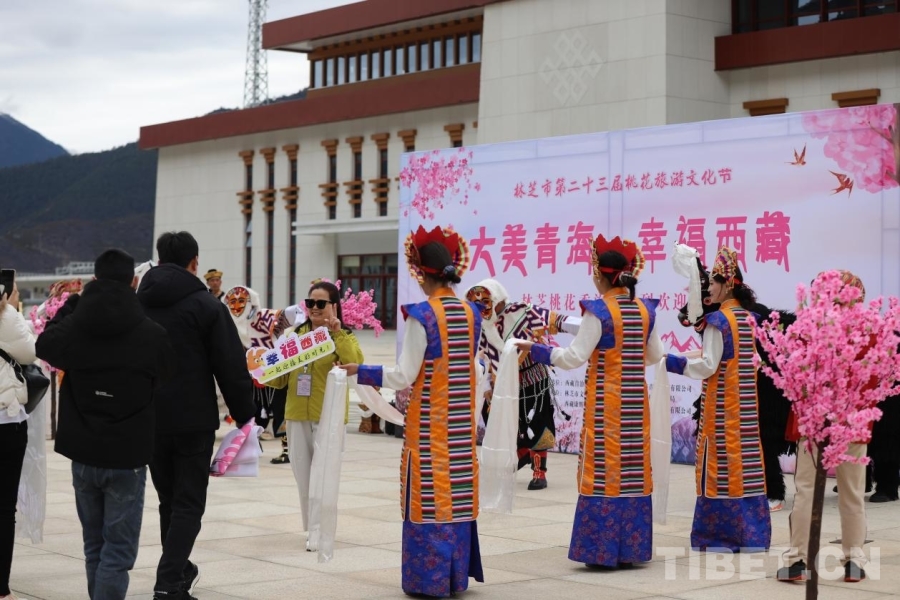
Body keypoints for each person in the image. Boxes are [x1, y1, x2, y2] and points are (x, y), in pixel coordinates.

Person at [341, 225, 485, 598]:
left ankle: (430, 580)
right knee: (457, 492)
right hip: (460, 425)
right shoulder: (472, 312)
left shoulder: (423, 315)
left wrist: (362, 370)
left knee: (428, 495)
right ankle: (455, 577)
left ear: (421, 274)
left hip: (430, 426)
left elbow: (405, 375)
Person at [516, 235, 664, 568]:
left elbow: (573, 357)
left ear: (599, 274)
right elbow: (655, 355)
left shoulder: (599, 311)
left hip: (606, 406)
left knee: (604, 470)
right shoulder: (644, 310)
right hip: (635, 405)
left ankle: (602, 549)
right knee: (631, 469)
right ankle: (631, 549)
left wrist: (536, 349)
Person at [35, 249, 174, 600]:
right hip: (127, 451)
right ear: (133, 281)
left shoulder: (77, 324)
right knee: (118, 551)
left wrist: (73, 304)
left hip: (83, 449)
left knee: (94, 546)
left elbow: (45, 344)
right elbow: (166, 376)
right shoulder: (151, 333)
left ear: (94, 279)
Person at [137, 232, 256, 600]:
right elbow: (230, 364)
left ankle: (179, 572)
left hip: (149, 417)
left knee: (169, 501)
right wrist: (245, 414)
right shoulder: (206, 305)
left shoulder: (138, 303)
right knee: (189, 503)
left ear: (159, 259)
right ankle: (168, 582)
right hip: (193, 420)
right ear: (194, 262)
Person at [665, 247, 771, 552]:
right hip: (745, 410)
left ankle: (720, 538)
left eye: (712, 282)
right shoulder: (748, 318)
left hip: (722, 410)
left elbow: (708, 365)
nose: (708, 287)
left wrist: (671, 362)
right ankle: (751, 536)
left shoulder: (719, 321)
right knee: (746, 468)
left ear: (727, 285)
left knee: (718, 469)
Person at [777, 270, 871, 583]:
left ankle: (797, 561)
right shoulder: (866, 330)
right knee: (852, 494)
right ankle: (854, 561)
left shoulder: (808, 327)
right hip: (853, 420)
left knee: (805, 491)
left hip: (813, 421)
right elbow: (873, 379)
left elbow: (794, 373)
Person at [265, 280, 363, 542]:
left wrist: (337, 334)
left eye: (321, 303)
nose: (315, 308)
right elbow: (279, 380)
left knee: (324, 474)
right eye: (311, 303)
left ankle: (321, 531)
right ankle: (312, 528)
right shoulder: (294, 336)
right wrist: (260, 370)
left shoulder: (344, 336)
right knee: (304, 476)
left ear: (334, 306)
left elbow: (355, 363)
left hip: (328, 415)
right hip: (297, 414)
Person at [466, 279, 574, 490]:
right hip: (503, 380)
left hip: (532, 376)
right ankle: (522, 452)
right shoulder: (481, 326)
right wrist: (487, 387)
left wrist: (590, 327)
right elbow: (483, 357)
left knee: (538, 422)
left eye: (485, 302)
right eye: (476, 303)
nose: (482, 308)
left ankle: (539, 471)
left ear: (497, 298)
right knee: (495, 416)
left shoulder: (521, 312)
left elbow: (555, 320)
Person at [0, 281, 36, 600]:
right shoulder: (6, 316)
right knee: (3, 506)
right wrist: (11, 308)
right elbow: (29, 352)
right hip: (5, 420)